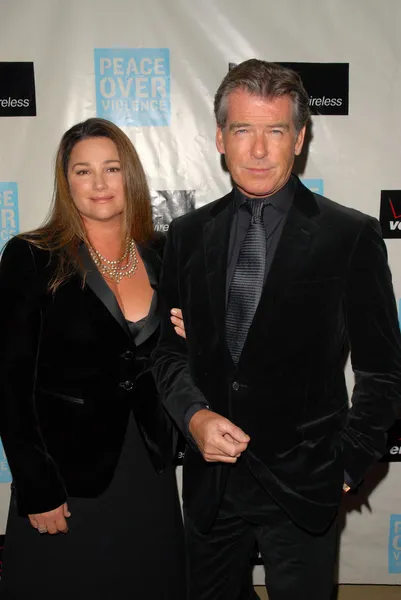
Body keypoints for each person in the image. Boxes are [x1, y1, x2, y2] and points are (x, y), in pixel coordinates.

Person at [152, 59, 401, 600]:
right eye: (243, 130)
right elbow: (166, 356)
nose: (259, 150)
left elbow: (383, 372)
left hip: (306, 484)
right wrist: (193, 419)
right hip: (211, 487)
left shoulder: (350, 236)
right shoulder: (188, 236)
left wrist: (348, 464)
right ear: (221, 137)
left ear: (300, 138)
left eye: (276, 131)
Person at [0, 117, 187, 599]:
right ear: (66, 183)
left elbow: (178, 357)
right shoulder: (31, 256)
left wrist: (195, 338)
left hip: (148, 467)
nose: (100, 184)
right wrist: (35, 482)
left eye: (111, 168)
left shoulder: (165, 255)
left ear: (132, 176)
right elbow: (9, 381)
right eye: (83, 172)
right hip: (64, 471)